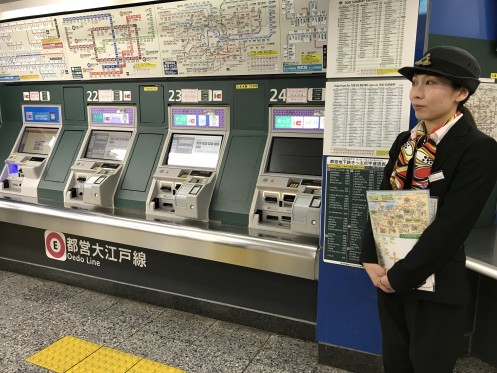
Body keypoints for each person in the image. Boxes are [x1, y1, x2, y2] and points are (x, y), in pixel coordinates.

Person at [360, 46, 497, 372]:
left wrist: (401, 276)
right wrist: (369, 256)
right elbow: (384, 199)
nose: (417, 93)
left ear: (461, 93)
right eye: (415, 82)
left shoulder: (479, 150)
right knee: (395, 363)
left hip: (434, 287)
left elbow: (453, 226)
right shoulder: (405, 142)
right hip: (390, 279)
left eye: (431, 83)